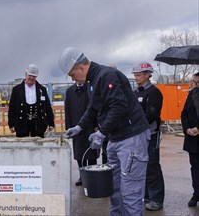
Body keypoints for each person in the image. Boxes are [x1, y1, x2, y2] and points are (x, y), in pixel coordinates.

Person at [59, 47, 150, 216]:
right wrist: (79, 127)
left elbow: (119, 106)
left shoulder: (107, 75)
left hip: (131, 138)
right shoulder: (93, 81)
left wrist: (101, 132)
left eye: (72, 75)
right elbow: (93, 107)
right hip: (116, 139)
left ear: (80, 67)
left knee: (130, 192)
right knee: (114, 188)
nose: (73, 79)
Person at [132, 62, 165, 211]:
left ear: (147, 75)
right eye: (135, 75)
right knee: (141, 166)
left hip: (150, 135)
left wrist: (134, 124)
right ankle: (146, 195)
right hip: (137, 136)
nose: (136, 78)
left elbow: (151, 114)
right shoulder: (136, 92)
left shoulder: (154, 93)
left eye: (139, 75)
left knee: (152, 166)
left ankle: (156, 199)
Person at [65, 81, 99, 186]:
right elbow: (67, 109)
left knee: (92, 152)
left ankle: (93, 176)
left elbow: (96, 107)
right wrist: (69, 126)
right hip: (76, 127)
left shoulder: (91, 88)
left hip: (90, 126)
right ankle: (82, 176)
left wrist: (96, 125)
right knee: (79, 153)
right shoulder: (69, 91)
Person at [8, 64, 54, 137]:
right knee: (22, 146)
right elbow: (12, 108)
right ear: (25, 74)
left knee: (38, 145)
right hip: (21, 123)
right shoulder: (16, 90)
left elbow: (48, 107)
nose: (31, 78)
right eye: (30, 75)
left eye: (34, 76)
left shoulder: (42, 89)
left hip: (38, 124)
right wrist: (11, 124)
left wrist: (51, 122)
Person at [181, 72, 199, 207]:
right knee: (195, 167)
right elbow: (184, 113)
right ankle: (197, 193)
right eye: (195, 82)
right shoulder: (192, 94)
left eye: (198, 82)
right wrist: (187, 129)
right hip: (193, 138)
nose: (196, 84)